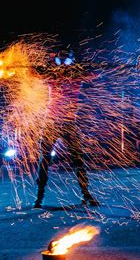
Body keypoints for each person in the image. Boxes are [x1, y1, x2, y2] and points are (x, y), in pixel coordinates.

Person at [34, 49, 99, 208]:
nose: (62, 64)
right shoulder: (52, 76)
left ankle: (86, 194)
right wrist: (46, 65)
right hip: (51, 122)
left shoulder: (76, 77)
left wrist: (82, 67)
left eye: (65, 60)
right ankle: (39, 197)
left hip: (69, 123)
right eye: (60, 60)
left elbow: (95, 75)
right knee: (45, 160)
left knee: (78, 159)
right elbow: (34, 73)